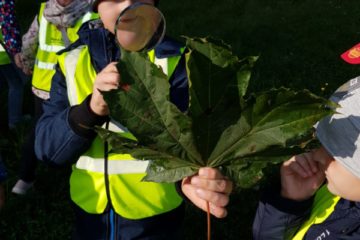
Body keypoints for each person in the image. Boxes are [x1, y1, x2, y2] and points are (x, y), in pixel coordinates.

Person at [35, 0, 233, 239]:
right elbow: (47, 149)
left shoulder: (178, 61)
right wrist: (90, 109)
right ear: (97, 6)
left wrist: (194, 175)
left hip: (156, 223)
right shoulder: (71, 62)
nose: (129, 3)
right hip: (90, 219)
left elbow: (205, 138)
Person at [252, 44, 360, 240]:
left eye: (336, 153)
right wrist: (290, 203)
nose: (317, 155)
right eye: (322, 143)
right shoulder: (340, 195)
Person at [11, 0, 98, 195]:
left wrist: (26, 62)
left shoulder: (44, 9)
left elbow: (29, 42)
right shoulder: (92, 10)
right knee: (78, 128)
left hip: (42, 85)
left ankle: (24, 179)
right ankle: (81, 176)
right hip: (75, 84)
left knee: (38, 129)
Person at [0, 0, 26, 130]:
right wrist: (16, 51)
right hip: (4, 52)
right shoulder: (5, 2)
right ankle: (14, 123)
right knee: (16, 84)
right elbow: (7, 26)